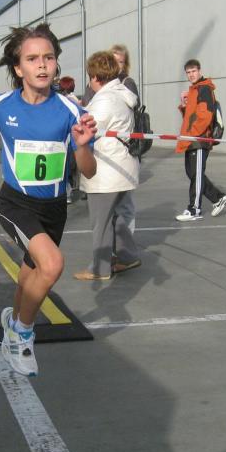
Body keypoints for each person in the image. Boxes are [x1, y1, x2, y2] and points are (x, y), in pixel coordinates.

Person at [0, 23, 97, 376]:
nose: (42, 65)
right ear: (18, 68)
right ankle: (21, 334)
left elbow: (89, 171)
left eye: (49, 58)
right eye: (32, 58)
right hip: (15, 204)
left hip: (54, 207)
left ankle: (12, 319)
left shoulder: (70, 110)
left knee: (31, 273)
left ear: (56, 64)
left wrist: (81, 146)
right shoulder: (2, 104)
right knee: (51, 265)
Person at [73, 51, 140, 280]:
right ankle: (127, 256)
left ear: (95, 77)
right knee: (118, 217)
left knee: (101, 221)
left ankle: (99, 269)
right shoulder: (122, 94)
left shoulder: (104, 99)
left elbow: (86, 129)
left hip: (106, 169)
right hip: (123, 166)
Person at [174, 59, 226, 221]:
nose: (191, 74)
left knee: (196, 174)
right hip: (191, 138)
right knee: (192, 173)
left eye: (194, 71)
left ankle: (194, 209)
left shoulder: (204, 88)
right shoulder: (195, 90)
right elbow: (190, 117)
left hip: (198, 139)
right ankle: (218, 198)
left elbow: (205, 116)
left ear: (199, 71)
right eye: (188, 72)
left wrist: (193, 134)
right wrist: (184, 106)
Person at [58, 76, 80, 203]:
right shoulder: (73, 100)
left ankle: (67, 191)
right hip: (71, 139)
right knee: (69, 166)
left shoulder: (63, 100)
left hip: (64, 138)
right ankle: (69, 190)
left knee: (65, 166)